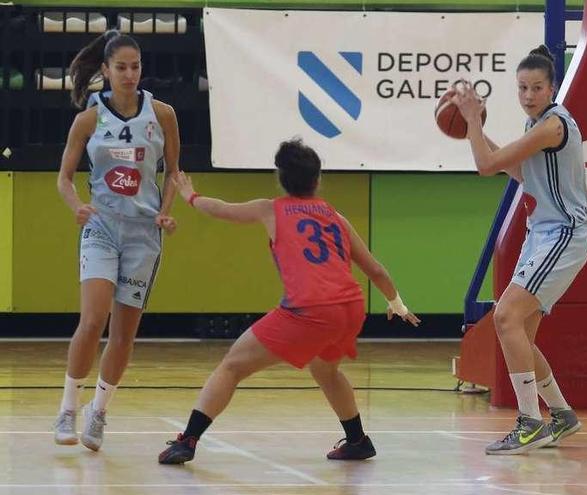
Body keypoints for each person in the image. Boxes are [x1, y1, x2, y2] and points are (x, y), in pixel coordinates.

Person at [158, 138, 420, 464]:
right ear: (318, 179)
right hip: (351, 308)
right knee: (325, 369)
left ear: (280, 178)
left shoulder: (271, 209)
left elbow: (222, 209)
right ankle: (357, 440)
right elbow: (376, 270)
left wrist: (190, 196)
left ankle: (188, 440)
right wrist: (397, 304)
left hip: (310, 309)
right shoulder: (336, 217)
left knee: (232, 365)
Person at [448, 45, 587, 455]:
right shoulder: (538, 126)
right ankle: (561, 414)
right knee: (521, 336)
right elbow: (510, 168)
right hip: (544, 234)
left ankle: (531, 422)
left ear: (553, 88)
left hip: (563, 234)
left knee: (506, 316)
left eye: (537, 87)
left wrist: (472, 120)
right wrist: (472, 129)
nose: (528, 95)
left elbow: (485, 166)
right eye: (523, 88)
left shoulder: (552, 126)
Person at [54, 30, 180, 451]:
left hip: (144, 235)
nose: (129, 74)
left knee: (124, 334)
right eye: (121, 67)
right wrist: (76, 205)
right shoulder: (88, 120)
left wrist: (165, 209)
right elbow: (64, 178)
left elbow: (173, 173)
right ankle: (68, 407)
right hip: (102, 228)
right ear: (105, 71)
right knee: (93, 320)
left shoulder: (162, 114)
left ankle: (99, 413)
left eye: (136, 66)